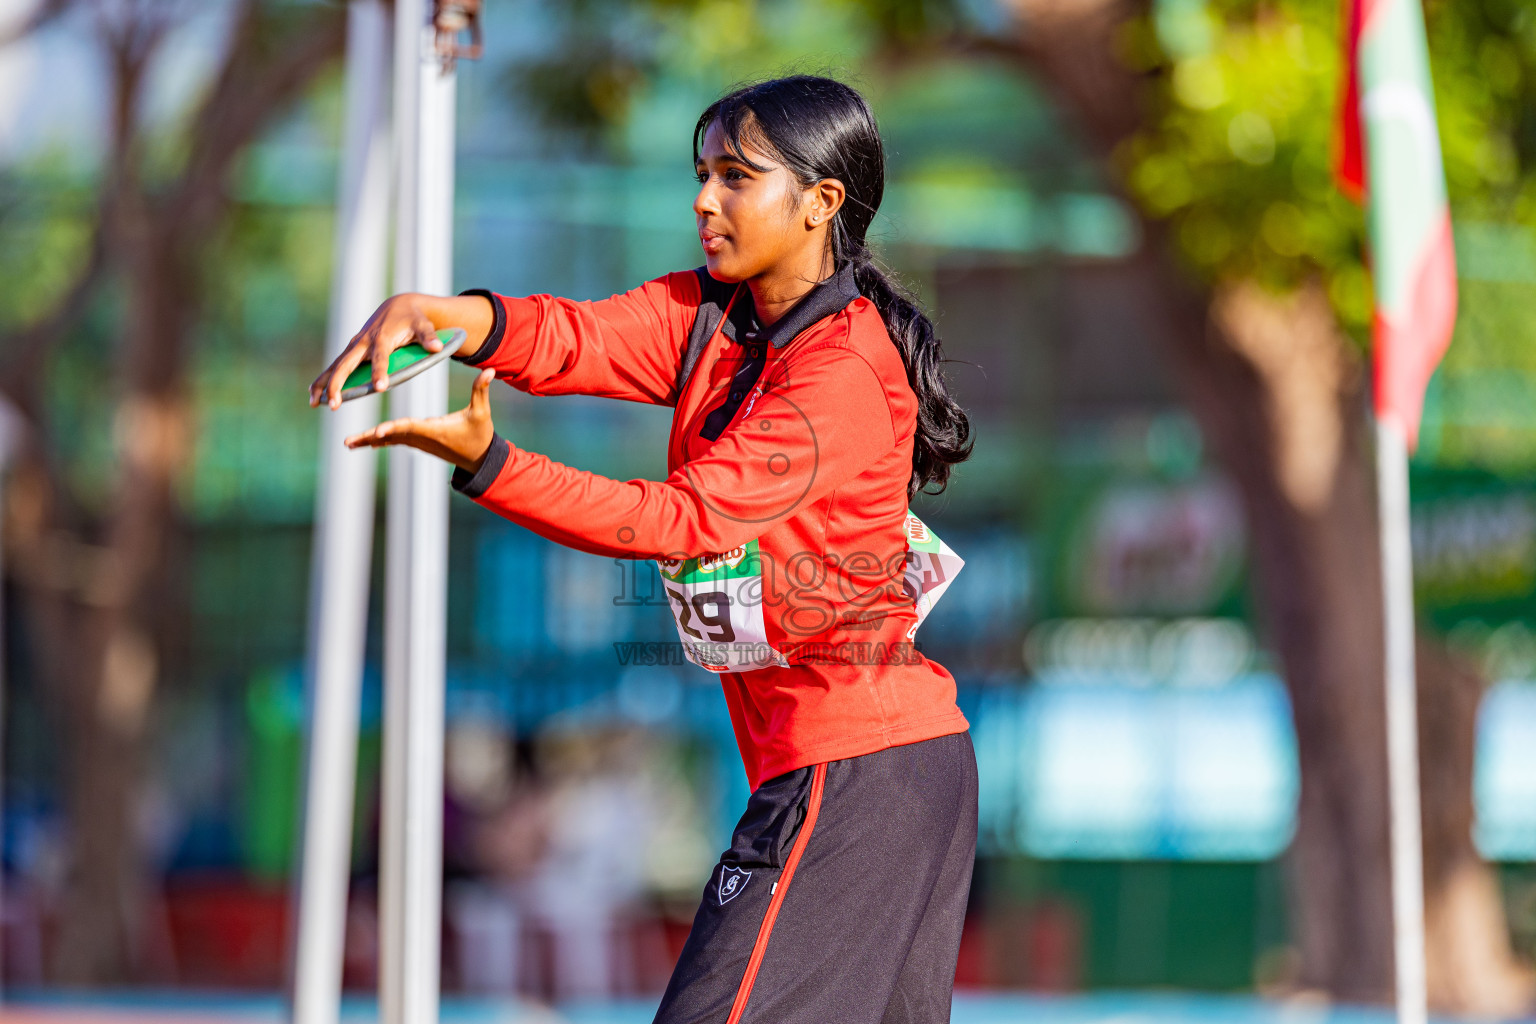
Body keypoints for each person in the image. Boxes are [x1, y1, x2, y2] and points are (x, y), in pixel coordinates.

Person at [310, 74, 978, 1024]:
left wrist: (489, 464)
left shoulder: (843, 373)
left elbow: (681, 521)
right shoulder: (720, 315)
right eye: (701, 173)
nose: (704, 200)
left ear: (822, 201)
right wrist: (453, 317)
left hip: (859, 775)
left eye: (736, 177)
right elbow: (582, 336)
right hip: (868, 773)